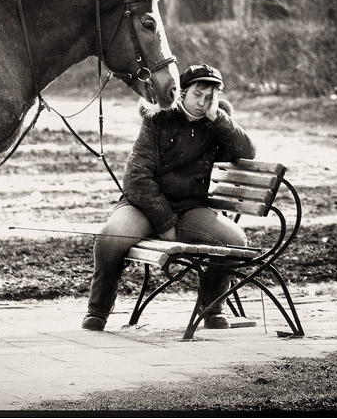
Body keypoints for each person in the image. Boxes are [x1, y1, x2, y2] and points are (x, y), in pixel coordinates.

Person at [82, 63, 256, 331]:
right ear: (182, 92)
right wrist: (165, 223)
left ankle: (211, 309)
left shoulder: (216, 121)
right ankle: (98, 311)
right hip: (142, 205)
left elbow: (246, 153)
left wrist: (218, 117)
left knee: (234, 240)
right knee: (110, 239)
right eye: (197, 94)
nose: (202, 102)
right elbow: (137, 177)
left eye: (210, 97)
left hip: (189, 208)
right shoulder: (158, 118)